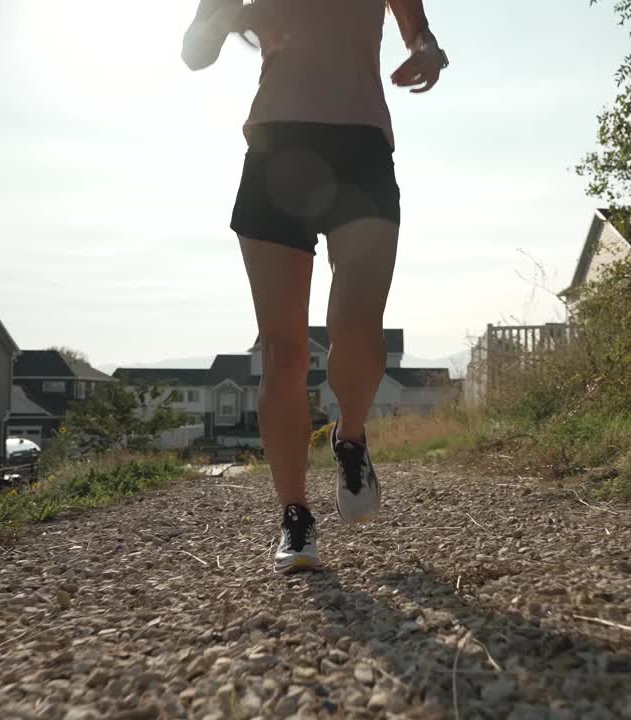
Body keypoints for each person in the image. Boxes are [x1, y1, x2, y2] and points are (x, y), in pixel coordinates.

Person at [181, 0, 449, 573]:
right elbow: (194, 54)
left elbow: (417, 31)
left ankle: (350, 438)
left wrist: (427, 53)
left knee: (357, 325)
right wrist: (232, 16)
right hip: (277, 151)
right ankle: (294, 516)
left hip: (361, 153)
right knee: (284, 351)